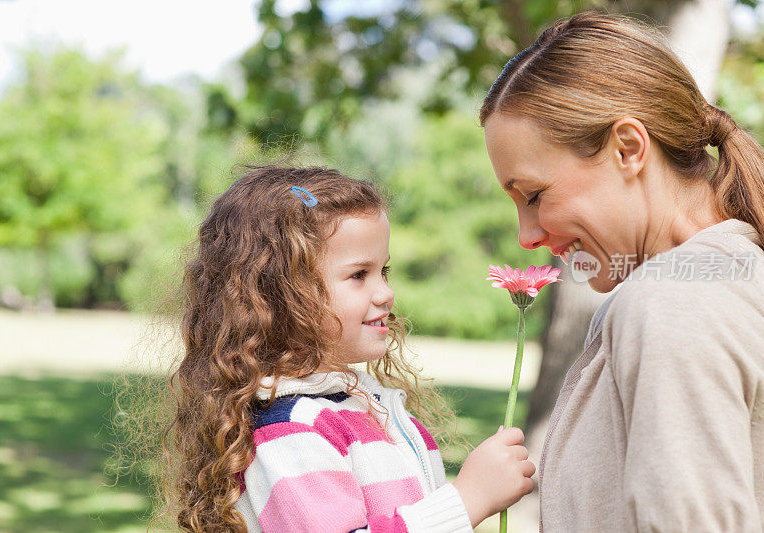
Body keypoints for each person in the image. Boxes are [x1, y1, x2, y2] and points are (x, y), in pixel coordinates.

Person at [480, 11, 764, 532]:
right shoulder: (740, 274)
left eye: (534, 195)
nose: (526, 235)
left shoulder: (673, 302)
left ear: (628, 148)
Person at [166, 165, 535, 532]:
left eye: (383, 272)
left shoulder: (363, 409)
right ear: (281, 295)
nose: (386, 293)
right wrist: (467, 502)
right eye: (359, 275)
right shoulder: (291, 431)